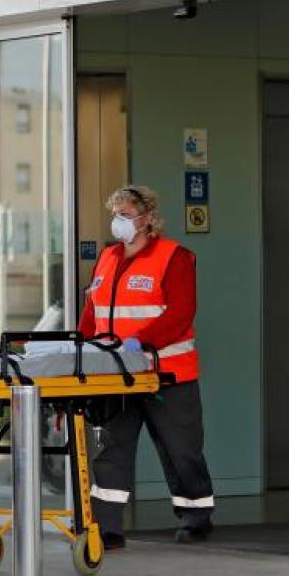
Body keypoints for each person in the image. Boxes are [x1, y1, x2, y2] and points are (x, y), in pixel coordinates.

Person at [79, 185, 214, 548]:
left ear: (148, 218)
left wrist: (142, 343)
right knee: (113, 450)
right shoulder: (107, 259)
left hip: (165, 375)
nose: (118, 221)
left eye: (126, 214)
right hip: (116, 376)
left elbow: (181, 313)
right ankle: (106, 527)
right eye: (115, 214)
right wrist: (82, 356)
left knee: (181, 450)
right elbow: (90, 317)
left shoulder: (175, 257)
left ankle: (196, 516)